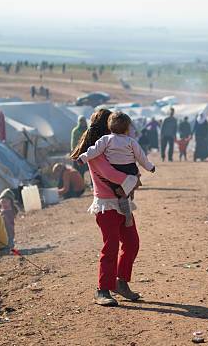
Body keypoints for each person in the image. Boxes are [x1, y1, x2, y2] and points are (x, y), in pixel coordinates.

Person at [70, 108, 142, 307]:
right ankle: (102, 289)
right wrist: (133, 179)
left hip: (123, 203)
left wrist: (133, 176)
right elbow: (111, 175)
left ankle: (120, 282)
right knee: (110, 247)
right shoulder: (96, 153)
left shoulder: (113, 149)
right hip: (106, 205)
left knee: (132, 243)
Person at [75, 112, 155, 226]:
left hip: (116, 169)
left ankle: (126, 204)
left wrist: (82, 158)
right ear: (127, 128)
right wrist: (149, 167)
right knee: (129, 186)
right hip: (129, 170)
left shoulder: (105, 140)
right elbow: (141, 156)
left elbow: (94, 150)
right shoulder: (130, 141)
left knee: (123, 192)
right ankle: (127, 211)